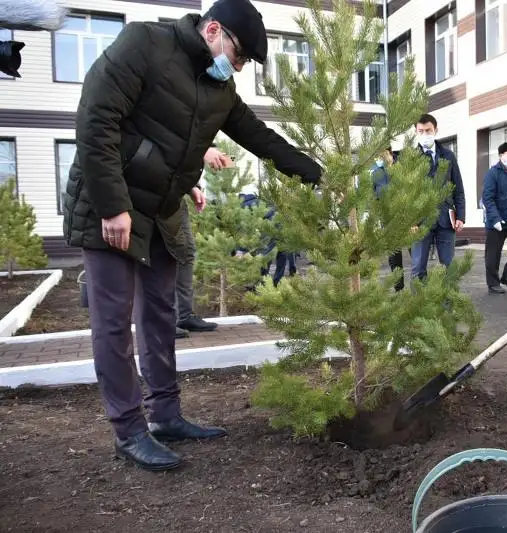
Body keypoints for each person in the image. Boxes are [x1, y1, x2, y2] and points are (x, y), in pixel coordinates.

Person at [62, 0, 322, 472]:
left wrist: (320, 176)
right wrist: (112, 206)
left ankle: (165, 416)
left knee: (162, 314)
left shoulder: (218, 89)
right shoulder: (143, 44)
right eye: (239, 55)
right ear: (213, 30)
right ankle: (129, 431)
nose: (237, 67)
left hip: (162, 209)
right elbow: (95, 120)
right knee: (114, 322)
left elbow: (260, 138)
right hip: (111, 206)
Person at [174, 146, 234, 339]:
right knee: (162, 256)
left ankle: (183, 315)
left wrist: (192, 187)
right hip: (153, 198)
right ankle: (164, 319)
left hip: (175, 198)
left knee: (185, 252)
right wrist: (201, 150)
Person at [410, 114, 466, 279]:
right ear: (416, 132)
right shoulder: (410, 158)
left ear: (436, 130)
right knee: (418, 269)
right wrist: (410, 221)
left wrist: (461, 216)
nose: (425, 134)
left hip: (445, 220)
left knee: (448, 268)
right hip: (420, 222)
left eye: (428, 130)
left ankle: (448, 304)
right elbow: (405, 193)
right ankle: (419, 304)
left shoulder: (448, 156)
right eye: (421, 131)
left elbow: (458, 188)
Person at [482, 142, 507, 293]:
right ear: (501, 156)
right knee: (493, 255)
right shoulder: (493, 173)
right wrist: (495, 218)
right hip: (496, 221)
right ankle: (493, 283)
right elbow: (488, 198)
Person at [371, 147, 405, 291]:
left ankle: (420, 289)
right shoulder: (376, 173)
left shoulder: (402, 167)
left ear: (389, 152)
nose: (378, 158)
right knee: (394, 255)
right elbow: (373, 196)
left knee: (416, 254)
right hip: (388, 219)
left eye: (380, 154)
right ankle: (399, 289)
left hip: (406, 217)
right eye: (376, 156)